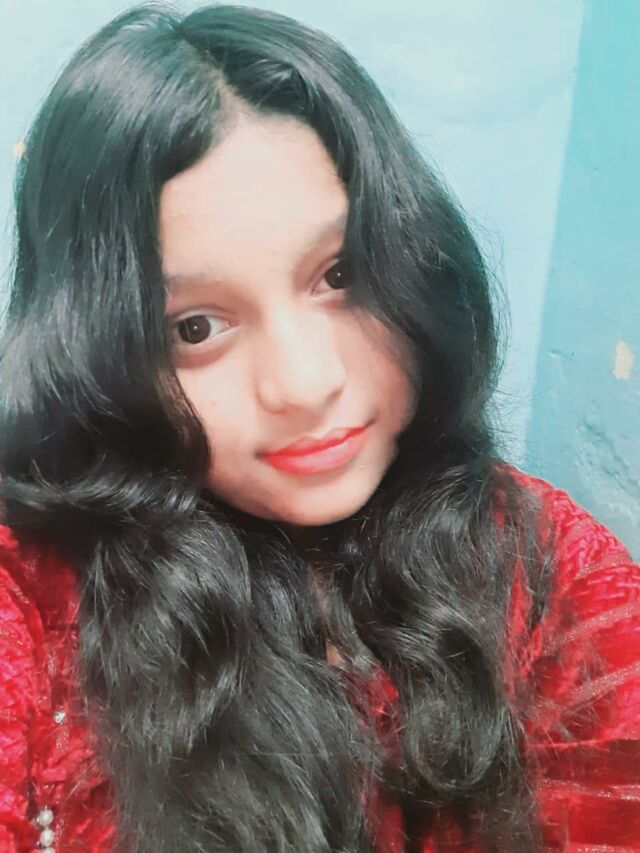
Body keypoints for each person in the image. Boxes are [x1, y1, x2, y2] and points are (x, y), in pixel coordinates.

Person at [0, 4, 638, 851]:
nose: (305, 384)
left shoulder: (552, 571)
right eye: (196, 327)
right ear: (97, 355)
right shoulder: (33, 593)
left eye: (340, 274)